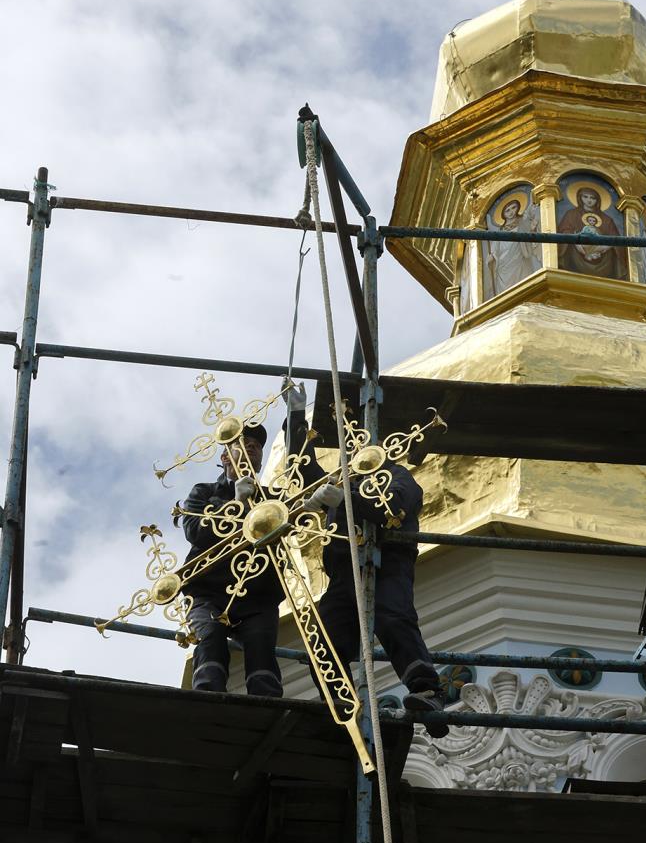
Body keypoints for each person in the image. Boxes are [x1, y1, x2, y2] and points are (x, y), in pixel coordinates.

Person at [284, 384, 448, 736]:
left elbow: (393, 511)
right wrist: (295, 416)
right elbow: (302, 468)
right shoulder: (343, 483)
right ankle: (340, 702)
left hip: (387, 562)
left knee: (393, 618)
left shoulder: (398, 478)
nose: (356, 457)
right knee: (323, 639)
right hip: (344, 573)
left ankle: (428, 692)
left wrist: (343, 500)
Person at [178, 422, 285, 697]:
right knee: (210, 637)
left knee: (261, 648)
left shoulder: (272, 500)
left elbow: (295, 518)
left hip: (258, 594)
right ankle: (207, 699)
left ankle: (266, 706)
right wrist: (235, 505)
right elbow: (195, 532)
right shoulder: (203, 492)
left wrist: (295, 419)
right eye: (244, 445)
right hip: (208, 590)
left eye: (256, 447)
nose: (252, 450)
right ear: (226, 457)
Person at [557, 184, 626, 279]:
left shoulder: (607, 219)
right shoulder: (571, 214)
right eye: (585, 197)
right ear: (580, 198)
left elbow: (615, 240)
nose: (589, 200)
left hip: (602, 255)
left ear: (597, 200)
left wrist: (604, 247)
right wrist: (576, 237)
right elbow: (564, 231)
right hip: (577, 252)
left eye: (592, 198)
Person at [485, 193, 542, 297]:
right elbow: (495, 247)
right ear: (503, 214)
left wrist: (533, 228)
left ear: (518, 208)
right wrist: (492, 256)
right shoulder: (500, 231)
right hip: (504, 263)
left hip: (520, 260)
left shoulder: (523, 222)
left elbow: (532, 231)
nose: (511, 212)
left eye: (513, 208)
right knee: (505, 292)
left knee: (523, 285)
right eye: (507, 210)